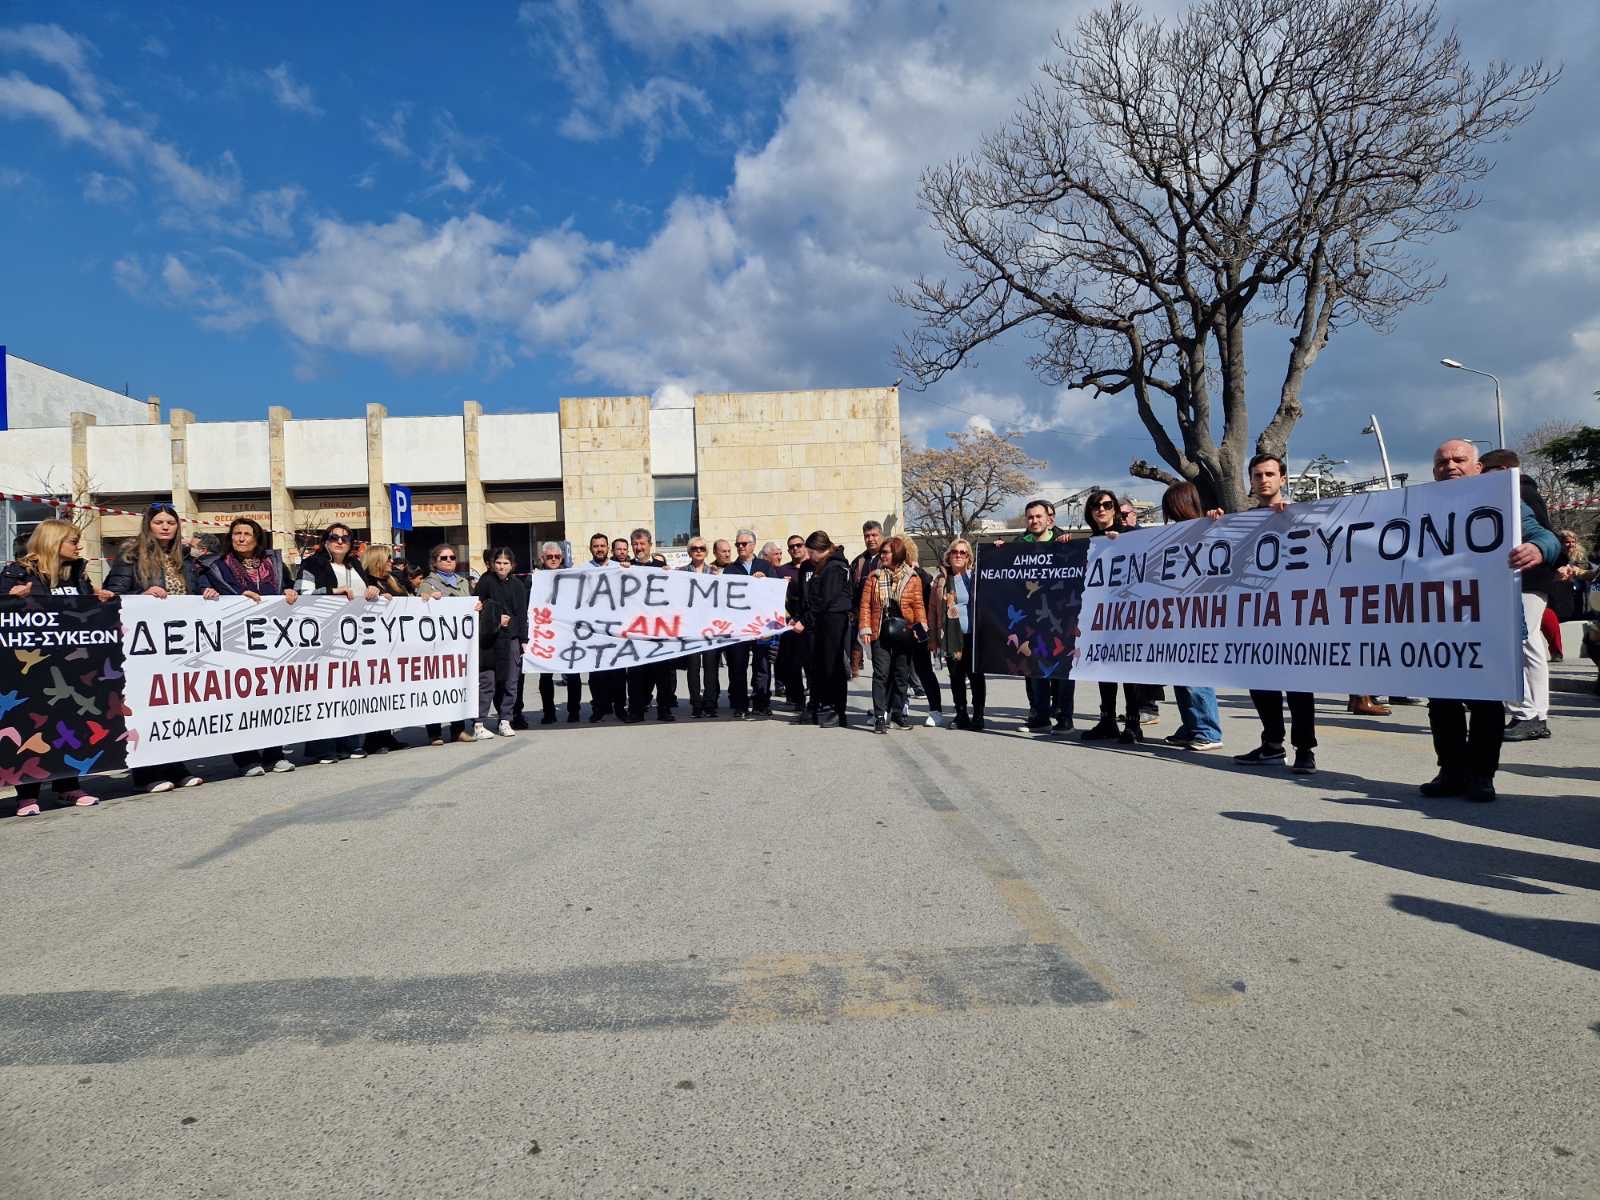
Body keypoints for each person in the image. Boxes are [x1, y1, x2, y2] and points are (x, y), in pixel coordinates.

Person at [1422, 439, 1560, 802]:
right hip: (1439, 617)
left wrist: (1537, 548)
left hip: (1489, 617)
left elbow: (1547, 538)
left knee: (1486, 702)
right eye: (1442, 461)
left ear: (1477, 467)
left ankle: (1482, 776)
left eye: (1459, 459)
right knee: (1442, 701)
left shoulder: (1507, 503)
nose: (1450, 466)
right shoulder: (1418, 507)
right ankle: (1450, 771)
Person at [1, 519, 115, 814]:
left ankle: (68, 786)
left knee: (70, 722)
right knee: (31, 725)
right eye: (72, 540)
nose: (78, 546)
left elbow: (83, 609)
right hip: (30, 666)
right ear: (53, 542)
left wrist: (99, 598)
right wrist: (8, 598)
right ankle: (27, 793)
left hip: (70, 665)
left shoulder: (75, 573)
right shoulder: (16, 572)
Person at [105, 502, 218, 793]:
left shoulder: (185, 558)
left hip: (178, 646)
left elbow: (191, 592)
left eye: (171, 522)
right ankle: (145, 772)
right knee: (146, 708)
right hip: (143, 646)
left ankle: (176, 764)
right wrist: (140, 594)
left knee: (175, 707)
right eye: (159, 522)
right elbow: (111, 594)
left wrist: (205, 592)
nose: (166, 527)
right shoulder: (131, 555)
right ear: (149, 525)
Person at [1232, 455, 1319, 774]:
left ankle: (1305, 749)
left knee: (1297, 683)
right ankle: (1271, 744)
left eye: (1270, 474)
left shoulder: (1302, 516)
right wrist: (1212, 521)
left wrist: (1294, 520)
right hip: (1256, 613)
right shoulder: (1243, 522)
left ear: (1283, 478)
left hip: (1293, 613)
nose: (1263, 480)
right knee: (1261, 680)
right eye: (1257, 475)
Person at [197, 518, 301, 775]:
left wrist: (290, 592)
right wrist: (213, 594)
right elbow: (203, 590)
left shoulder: (274, 564)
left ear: (257, 538)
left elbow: (290, 586)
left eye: (247, 534)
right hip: (235, 643)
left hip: (271, 640)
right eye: (236, 534)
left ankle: (274, 753)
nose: (241, 538)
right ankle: (246, 757)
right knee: (241, 699)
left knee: (273, 697)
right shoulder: (215, 565)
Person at [1481, 449, 1560, 742]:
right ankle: (1536, 713)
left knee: (1516, 641)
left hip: (1523, 577)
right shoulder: (1527, 491)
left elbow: (1540, 535)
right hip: (1531, 578)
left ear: (1502, 469)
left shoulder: (1516, 492)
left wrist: (1539, 550)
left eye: (1483, 469)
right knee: (1531, 644)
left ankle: (1526, 713)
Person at [296, 523, 380, 763]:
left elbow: (367, 592)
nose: (340, 541)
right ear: (325, 541)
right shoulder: (312, 564)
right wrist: (332, 591)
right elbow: (301, 592)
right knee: (324, 693)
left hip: (355, 640)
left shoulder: (355, 566)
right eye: (334, 537)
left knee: (351, 691)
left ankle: (351, 742)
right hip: (322, 639)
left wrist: (375, 590)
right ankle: (322, 748)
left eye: (345, 538)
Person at [1154, 484, 1223, 751]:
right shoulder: (1172, 535)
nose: (1170, 511)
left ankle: (1208, 730)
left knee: (1195, 673)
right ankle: (1191, 725)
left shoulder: (1207, 527)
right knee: (1181, 675)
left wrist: (1216, 522)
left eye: (1173, 505)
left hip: (1199, 614)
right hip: (1176, 614)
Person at [1077, 489, 1143, 744]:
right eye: (1095, 506)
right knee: (1104, 668)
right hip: (1100, 615)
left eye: (1107, 505)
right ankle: (1107, 720)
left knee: (1127, 670)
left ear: (1115, 509)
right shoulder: (1092, 540)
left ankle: (1133, 724)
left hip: (1127, 614)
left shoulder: (1129, 535)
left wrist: (1124, 543)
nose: (1101, 509)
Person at [1004, 499, 1075, 732]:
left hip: (1062, 618)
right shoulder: (1019, 546)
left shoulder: (1064, 542)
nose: (1034, 521)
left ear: (1050, 519)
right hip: (1032, 619)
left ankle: (1065, 717)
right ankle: (1040, 715)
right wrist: (998, 551)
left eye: (1038, 517)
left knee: (1063, 669)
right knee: (1035, 667)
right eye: (1030, 517)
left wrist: (1069, 545)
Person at [858, 535, 927, 734]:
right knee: (880, 674)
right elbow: (865, 605)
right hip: (880, 631)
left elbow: (918, 606)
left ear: (896, 553)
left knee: (901, 675)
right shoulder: (874, 577)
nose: (882, 556)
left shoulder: (912, 577)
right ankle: (880, 716)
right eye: (881, 553)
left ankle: (898, 714)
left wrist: (921, 630)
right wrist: (865, 628)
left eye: (886, 552)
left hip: (904, 632)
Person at [418, 543, 477, 745]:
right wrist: (427, 598)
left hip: (459, 644)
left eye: (452, 557)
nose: (449, 561)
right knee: (434, 687)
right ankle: (434, 732)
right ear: (434, 562)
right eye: (444, 558)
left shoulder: (462, 582)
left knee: (457, 685)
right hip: (435, 645)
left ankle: (458, 729)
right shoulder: (428, 583)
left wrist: (476, 606)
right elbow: (419, 606)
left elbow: (468, 605)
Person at [791, 530, 851, 727]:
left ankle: (838, 710)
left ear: (819, 550)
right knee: (819, 665)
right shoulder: (820, 566)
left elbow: (824, 599)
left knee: (834, 666)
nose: (809, 556)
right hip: (821, 621)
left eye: (811, 552)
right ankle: (820, 704)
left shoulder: (835, 567)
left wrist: (805, 620)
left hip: (834, 620)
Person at [361, 544, 414, 754]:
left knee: (389, 692)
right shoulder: (367, 581)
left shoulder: (393, 581)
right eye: (389, 558)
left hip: (394, 645)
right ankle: (372, 739)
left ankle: (387, 734)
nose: (392, 562)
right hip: (374, 646)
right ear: (378, 560)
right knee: (375, 691)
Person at [720, 529, 776, 719]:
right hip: (739, 628)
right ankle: (740, 705)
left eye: (744, 544)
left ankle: (761, 702)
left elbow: (775, 592)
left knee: (762, 666)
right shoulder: (730, 569)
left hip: (761, 627)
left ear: (753, 545)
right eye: (738, 544)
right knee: (738, 666)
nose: (740, 547)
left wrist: (766, 581)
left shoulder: (765, 566)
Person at [931, 538, 985, 730]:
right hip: (951, 635)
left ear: (969, 557)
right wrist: (933, 638)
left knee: (976, 675)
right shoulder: (942, 580)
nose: (959, 555)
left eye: (963, 553)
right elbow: (933, 610)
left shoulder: (976, 577)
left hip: (973, 634)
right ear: (949, 555)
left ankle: (978, 715)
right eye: (955, 552)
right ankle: (961, 713)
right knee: (956, 676)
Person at [624, 527, 676, 722]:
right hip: (636, 632)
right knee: (636, 674)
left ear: (650, 545)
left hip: (659, 630)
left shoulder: (660, 568)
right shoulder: (625, 569)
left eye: (642, 544)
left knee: (663, 674)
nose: (638, 548)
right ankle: (636, 711)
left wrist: (670, 576)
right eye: (635, 544)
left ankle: (664, 710)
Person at [475, 547, 527, 737]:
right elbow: (477, 608)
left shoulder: (518, 585)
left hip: (511, 639)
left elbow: (521, 614)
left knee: (510, 682)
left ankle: (505, 719)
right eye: (498, 563)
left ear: (512, 565)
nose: (502, 566)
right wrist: (496, 619)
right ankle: (479, 722)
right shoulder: (485, 581)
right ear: (492, 564)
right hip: (489, 639)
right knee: (487, 681)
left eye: (505, 563)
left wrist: (524, 639)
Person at [533, 542, 582, 724]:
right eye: (549, 557)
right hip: (544, 632)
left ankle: (574, 712)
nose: (553, 560)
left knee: (572, 673)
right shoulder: (534, 579)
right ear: (542, 559)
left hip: (567, 633)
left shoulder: (570, 576)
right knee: (545, 675)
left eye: (557, 557)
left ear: (562, 558)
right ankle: (548, 712)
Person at [582, 533, 627, 723]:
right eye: (596, 546)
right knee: (596, 672)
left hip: (616, 629)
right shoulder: (583, 570)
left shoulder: (620, 568)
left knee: (618, 671)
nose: (599, 549)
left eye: (602, 546)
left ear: (608, 548)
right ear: (590, 548)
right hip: (594, 629)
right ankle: (599, 707)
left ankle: (619, 707)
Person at [901, 539, 944, 726]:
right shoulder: (891, 575)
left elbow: (929, 605)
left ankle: (935, 709)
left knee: (924, 670)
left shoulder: (922, 576)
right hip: (899, 630)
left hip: (919, 629)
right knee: (900, 671)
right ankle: (900, 705)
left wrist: (928, 631)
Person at [679, 538, 723, 718]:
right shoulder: (680, 573)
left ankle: (710, 703)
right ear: (689, 552)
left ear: (706, 552)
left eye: (702, 548)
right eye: (694, 548)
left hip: (711, 628)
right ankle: (696, 703)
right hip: (691, 629)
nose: (698, 551)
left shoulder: (716, 573)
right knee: (693, 668)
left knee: (711, 668)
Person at [772, 534, 809, 719]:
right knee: (790, 665)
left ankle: (816, 699)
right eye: (791, 547)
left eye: (798, 545)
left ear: (805, 546)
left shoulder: (813, 567)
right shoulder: (781, 570)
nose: (795, 549)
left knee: (811, 665)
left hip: (809, 623)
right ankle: (797, 699)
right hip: (789, 624)